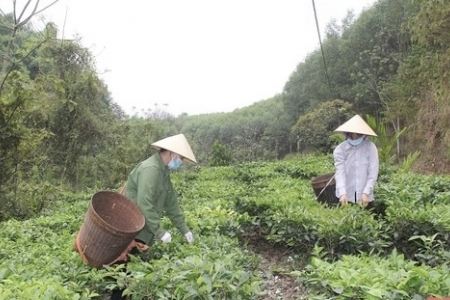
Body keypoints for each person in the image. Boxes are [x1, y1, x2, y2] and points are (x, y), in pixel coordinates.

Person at [111, 133, 197, 300]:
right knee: (121, 281)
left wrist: (185, 229)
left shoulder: (163, 173)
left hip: (142, 232)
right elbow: (144, 204)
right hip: (130, 231)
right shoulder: (151, 170)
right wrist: (160, 232)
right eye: (181, 158)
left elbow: (171, 204)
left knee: (131, 278)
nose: (181, 162)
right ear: (172, 153)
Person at [333, 115, 379, 209]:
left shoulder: (370, 148)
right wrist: (342, 193)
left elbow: (373, 172)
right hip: (346, 197)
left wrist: (366, 192)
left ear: (363, 135)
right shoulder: (340, 150)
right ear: (346, 134)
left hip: (365, 198)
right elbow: (340, 172)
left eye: (357, 135)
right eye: (351, 135)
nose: (354, 137)